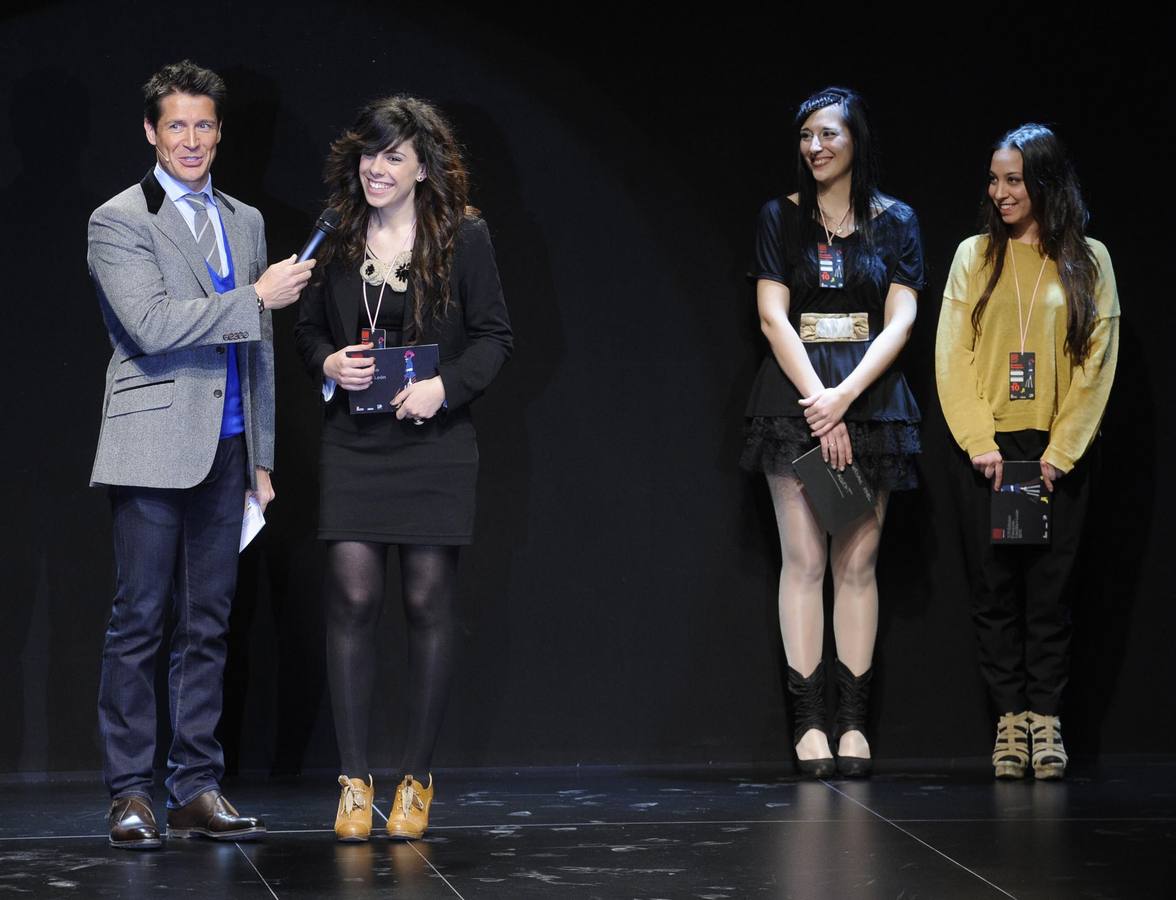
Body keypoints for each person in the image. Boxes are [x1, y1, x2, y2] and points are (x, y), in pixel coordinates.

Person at [88, 61, 314, 849]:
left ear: (220, 133)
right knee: (140, 620)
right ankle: (129, 792)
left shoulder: (245, 221)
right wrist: (254, 297)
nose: (192, 140)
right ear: (152, 132)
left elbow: (259, 351)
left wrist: (262, 454)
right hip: (152, 445)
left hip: (228, 450)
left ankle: (193, 785)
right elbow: (150, 324)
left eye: (204, 126)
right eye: (176, 125)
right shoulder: (119, 219)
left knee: (209, 624)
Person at [294, 96, 512, 841]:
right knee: (352, 600)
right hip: (353, 442)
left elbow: (493, 337)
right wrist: (329, 362)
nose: (377, 168)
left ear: (423, 166)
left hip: (434, 442)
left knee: (426, 603)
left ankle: (416, 778)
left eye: (393, 156)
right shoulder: (335, 233)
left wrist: (443, 388)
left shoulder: (463, 236)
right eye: (368, 154)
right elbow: (306, 329)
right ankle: (355, 783)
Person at [741, 87, 923, 777]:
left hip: (871, 401)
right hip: (795, 399)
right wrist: (820, 401)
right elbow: (771, 316)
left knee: (857, 565)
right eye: (806, 136)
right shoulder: (778, 219)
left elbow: (901, 321)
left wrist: (847, 398)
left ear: (855, 142)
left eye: (828, 135)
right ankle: (808, 721)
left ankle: (852, 723)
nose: (815, 147)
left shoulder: (897, 221)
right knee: (805, 563)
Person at [936, 124, 1119, 780]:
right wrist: (979, 443)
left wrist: (1062, 451)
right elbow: (952, 353)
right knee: (992, 590)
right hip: (987, 451)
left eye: (1014, 179)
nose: (1001, 192)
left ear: (1044, 181)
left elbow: (1099, 360)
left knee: (1050, 593)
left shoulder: (1088, 258)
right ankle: (1009, 723)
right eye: (995, 179)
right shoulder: (973, 256)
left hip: (1054, 453)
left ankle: (1047, 721)